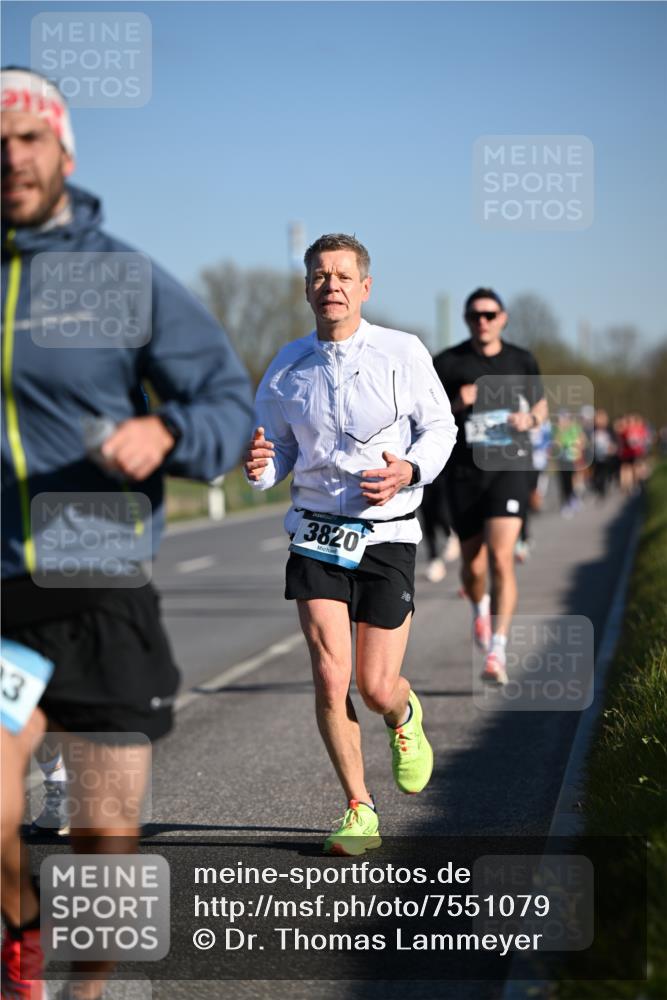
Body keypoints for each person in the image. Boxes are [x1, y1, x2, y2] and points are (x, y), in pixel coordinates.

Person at [1, 67, 254, 999]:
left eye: (27, 138)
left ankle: (90, 984)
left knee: (104, 855)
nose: (10, 155)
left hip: (99, 586)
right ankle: (23, 949)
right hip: (3, 601)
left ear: (63, 151)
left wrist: (171, 433)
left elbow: (225, 402)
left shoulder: (117, 279)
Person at [244, 233, 456, 856]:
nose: (330, 285)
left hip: (387, 531)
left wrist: (408, 471)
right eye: (319, 275)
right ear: (306, 286)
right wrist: (259, 465)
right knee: (329, 675)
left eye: (342, 275)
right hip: (315, 533)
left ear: (365, 286)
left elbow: (440, 428)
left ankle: (403, 714)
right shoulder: (286, 366)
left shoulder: (402, 351)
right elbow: (274, 453)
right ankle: (358, 808)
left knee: (374, 683)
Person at [433, 289, 547, 685]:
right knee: (473, 566)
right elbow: (425, 414)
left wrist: (529, 422)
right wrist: (456, 403)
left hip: (508, 469)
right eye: (474, 316)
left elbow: (540, 405)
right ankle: (479, 609)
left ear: (503, 317)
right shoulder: (448, 362)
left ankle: (497, 650)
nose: (482, 321)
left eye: (489, 314)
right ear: (467, 319)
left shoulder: (521, 360)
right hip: (464, 474)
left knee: (502, 558)